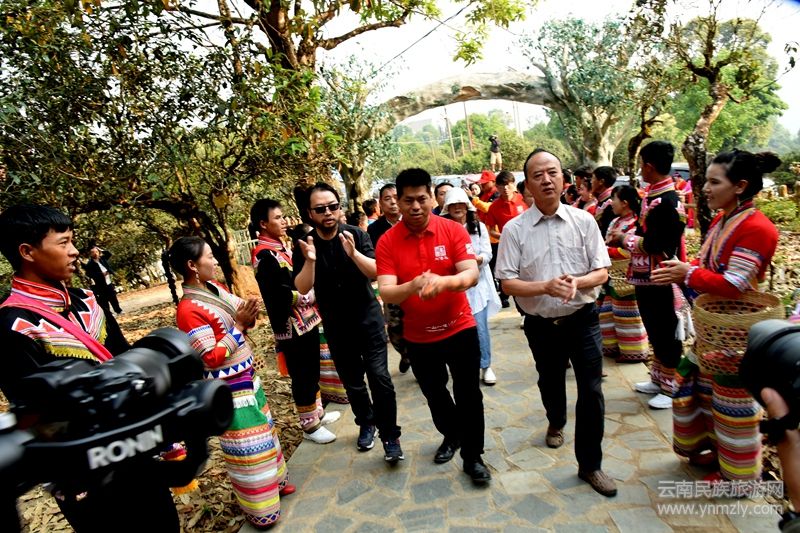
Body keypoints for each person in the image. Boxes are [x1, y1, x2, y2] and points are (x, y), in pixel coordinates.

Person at [0, 205, 178, 533]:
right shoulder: (12, 326)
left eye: (72, 240)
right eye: (63, 242)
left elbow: (126, 358)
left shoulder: (87, 300)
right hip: (84, 472)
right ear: (27, 252)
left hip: (136, 447)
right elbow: (38, 415)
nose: (74, 251)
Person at [650, 150, 781, 484]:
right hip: (717, 330)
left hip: (738, 334)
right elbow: (710, 265)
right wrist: (687, 269)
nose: (705, 188)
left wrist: (687, 273)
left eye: (713, 182)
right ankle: (721, 453)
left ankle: (739, 476)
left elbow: (735, 283)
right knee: (708, 393)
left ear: (740, 186)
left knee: (733, 402)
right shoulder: (725, 219)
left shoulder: (757, 227)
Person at [495, 149, 616, 497]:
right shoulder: (515, 230)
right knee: (550, 381)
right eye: (538, 175)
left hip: (583, 319)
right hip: (541, 324)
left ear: (564, 179)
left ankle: (590, 464)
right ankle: (556, 420)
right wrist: (545, 287)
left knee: (591, 390)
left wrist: (579, 281)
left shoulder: (584, 221)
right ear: (528, 185)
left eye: (552, 172)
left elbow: (602, 271)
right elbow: (507, 283)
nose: (546, 180)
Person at [165, 236, 294, 529]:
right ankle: (261, 509)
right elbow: (211, 357)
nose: (214, 261)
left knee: (265, 433)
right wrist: (239, 325)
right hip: (227, 388)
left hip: (247, 376)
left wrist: (250, 313)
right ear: (192, 265)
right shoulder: (188, 310)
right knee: (248, 446)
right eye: (209, 256)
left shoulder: (215, 289)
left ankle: (275, 483)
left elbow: (243, 314)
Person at [376, 168, 490, 483]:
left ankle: (473, 457)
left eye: (421, 199)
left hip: (460, 327)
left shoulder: (452, 230)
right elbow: (386, 291)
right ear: (398, 201)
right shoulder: (387, 242)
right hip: (419, 336)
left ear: (431, 198)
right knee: (435, 394)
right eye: (408, 200)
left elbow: (471, 274)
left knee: (469, 394)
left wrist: (443, 283)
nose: (415, 206)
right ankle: (452, 434)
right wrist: (414, 285)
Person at [294, 182, 403, 463]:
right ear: (310, 213)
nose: (328, 213)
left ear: (339, 207)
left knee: (380, 379)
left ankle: (390, 435)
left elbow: (376, 271)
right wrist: (310, 261)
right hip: (336, 326)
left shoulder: (356, 234)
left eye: (333, 206)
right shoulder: (306, 245)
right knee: (353, 383)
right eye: (320, 209)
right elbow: (302, 287)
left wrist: (354, 254)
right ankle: (366, 423)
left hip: (368, 320)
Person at [249, 199, 341, 445]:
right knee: (302, 373)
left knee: (312, 368)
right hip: (291, 325)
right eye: (278, 218)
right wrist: (306, 295)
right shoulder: (264, 254)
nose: (284, 222)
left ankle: (317, 412)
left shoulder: (280, 249)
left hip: (305, 320)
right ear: (263, 224)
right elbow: (276, 294)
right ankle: (309, 425)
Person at [607, 140, 686, 410]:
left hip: (661, 276)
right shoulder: (653, 196)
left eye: (642, 164)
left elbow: (657, 244)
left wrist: (623, 239)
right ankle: (658, 378)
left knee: (665, 330)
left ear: (649, 166)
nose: (641, 169)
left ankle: (672, 387)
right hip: (645, 275)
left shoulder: (667, 201)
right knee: (654, 328)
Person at [442, 187, 502, 385]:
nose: (457, 208)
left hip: (478, 287)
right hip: (454, 287)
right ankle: (463, 367)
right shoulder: (443, 229)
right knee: (457, 331)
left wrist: (473, 260)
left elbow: (487, 254)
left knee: (480, 328)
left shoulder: (479, 227)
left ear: (467, 205)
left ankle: (486, 365)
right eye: (453, 204)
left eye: (461, 203)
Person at [599, 186, 650, 363]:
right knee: (607, 313)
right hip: (612, 275)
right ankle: (612, 347)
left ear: (625, 203)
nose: (611, 202)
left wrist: (606, 251)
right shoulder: (615, 222)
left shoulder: (636, 224)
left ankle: (633, 353)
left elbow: (629, 251)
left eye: (614, 198)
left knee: (627, 315)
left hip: (626, 277)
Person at [366, 184, 410, 374]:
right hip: (392, 286)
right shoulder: (374, 229)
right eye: (387, 198)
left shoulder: (411, 221)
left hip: (414, 282)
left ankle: (419, 358)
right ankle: (405, 354)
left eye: (395, 197)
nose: (392, 202)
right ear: (380, 204)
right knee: (395, 329)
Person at [486, 170, 527, 308]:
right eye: (501, 185)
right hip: (509, 248)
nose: (505, 188)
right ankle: (520, 308)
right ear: (497, 187)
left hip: (528, 245)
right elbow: (491, 230)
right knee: (512, 278)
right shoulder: (494, 207)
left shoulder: (524, 200)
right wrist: (505, 237)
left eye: (508, 184)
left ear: (513, 184)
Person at [84, 245, 124, 315]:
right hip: (100, 284)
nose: (95, 253)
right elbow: (89, 274)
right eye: (93, 252)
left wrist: (100, 249)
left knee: (113, 297)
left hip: (108, 281)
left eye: (96, 252)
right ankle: (109, 314)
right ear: (90, 254)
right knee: (104, 300)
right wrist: (101, 274)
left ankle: (118, 310)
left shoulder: (102, 259)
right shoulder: (90, 264)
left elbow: (109, 254)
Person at [591, 166, 619, 238]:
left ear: (601, 182)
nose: (591, 181)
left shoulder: (611, 203)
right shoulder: (601, 199)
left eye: (593, 178)